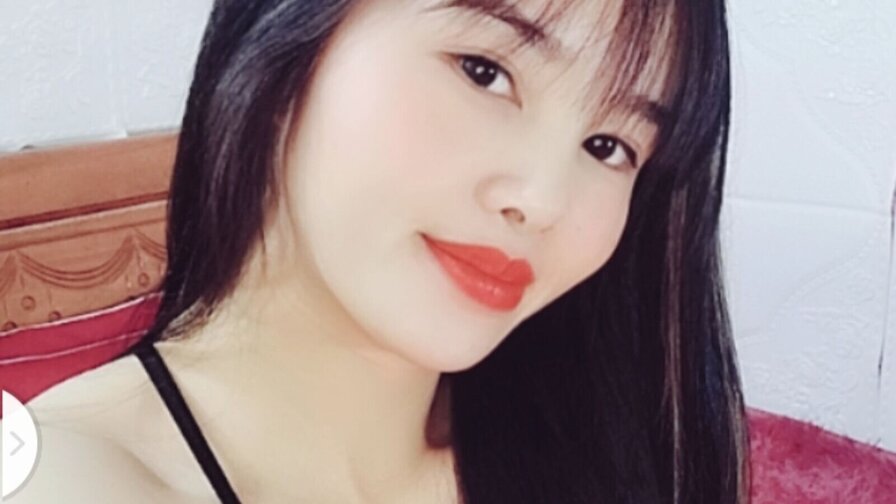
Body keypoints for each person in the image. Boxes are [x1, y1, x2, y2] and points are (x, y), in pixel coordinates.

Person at [13, 0, 751, 502]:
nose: (543, 199)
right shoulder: (70, 478)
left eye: (609, 146)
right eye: (484, 71)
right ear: (291, 32)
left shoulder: (597, 448)